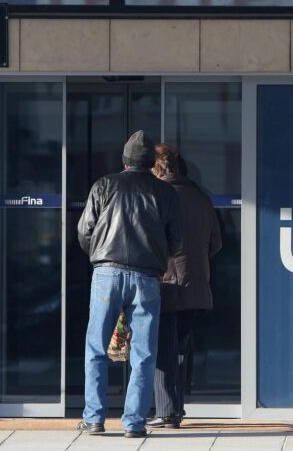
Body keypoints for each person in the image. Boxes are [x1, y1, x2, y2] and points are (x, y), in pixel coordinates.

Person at [76, 130, 182, 438]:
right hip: (147, 277)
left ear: (124, 161)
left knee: (96, 347)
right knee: (144, 353)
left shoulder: (104, 185)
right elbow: (176, 241)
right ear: (150, 163)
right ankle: (134, 423)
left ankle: (94, 419)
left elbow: (84, 231)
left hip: (107, 274)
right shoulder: (165, 192)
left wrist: (99, 253)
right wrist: (156, 255)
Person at [146, 144, 222, 429]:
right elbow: (216, 243)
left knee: (162, 349)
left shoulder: (158, 197)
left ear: (155, 168)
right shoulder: (201, 197)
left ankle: (167, 412)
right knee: (177, 348)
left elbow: (150, 242)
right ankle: (175, 410)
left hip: (167, 284)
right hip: (197, 284)